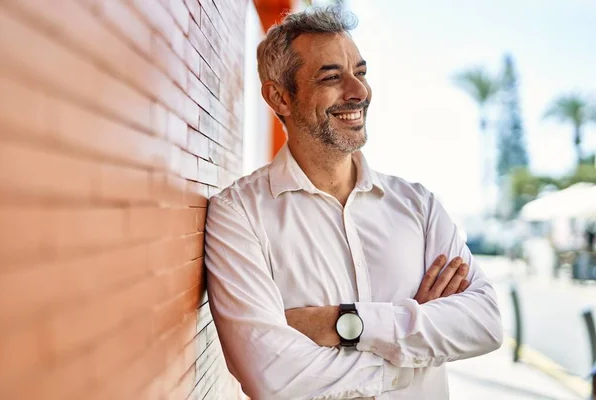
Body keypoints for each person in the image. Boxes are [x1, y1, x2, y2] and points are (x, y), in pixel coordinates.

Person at [204, 6, 503, 400]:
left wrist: (348, 324)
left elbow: (485, 323)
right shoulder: (239, 214)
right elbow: (273, 377)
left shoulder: (420, 206)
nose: (359, 92)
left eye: (360, 73)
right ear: (280, 97)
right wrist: (416, 338)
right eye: (332, 77)